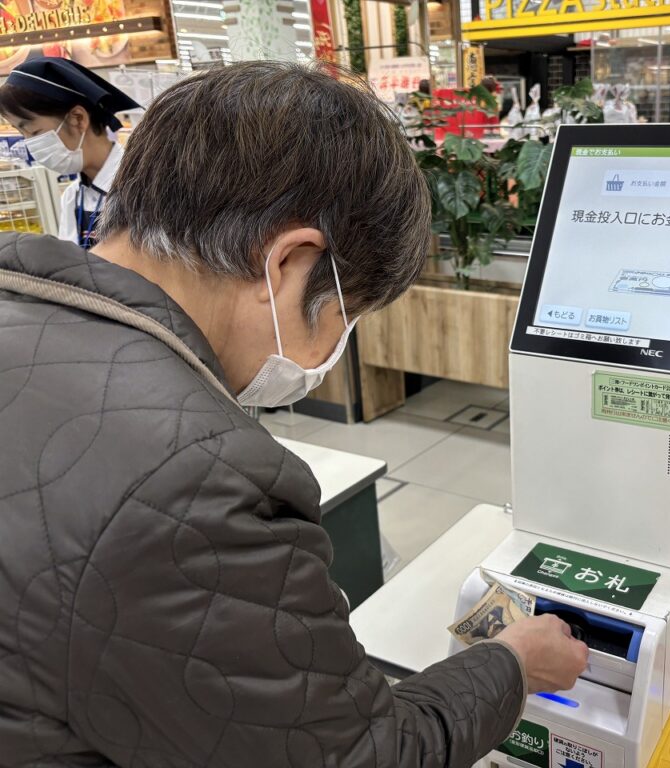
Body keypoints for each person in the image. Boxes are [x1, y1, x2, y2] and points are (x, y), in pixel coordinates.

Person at [0, 61, 587, 766]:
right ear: (286, 265)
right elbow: (360, 755)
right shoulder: (201, 483)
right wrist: (513, 664)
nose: (332, 350)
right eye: (345, 316)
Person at [0, 57, 140, 249]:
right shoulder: (73, 196)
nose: (29, 143)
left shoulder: (144, 187)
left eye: (34, 132)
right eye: (21, 133)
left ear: (78, 118)